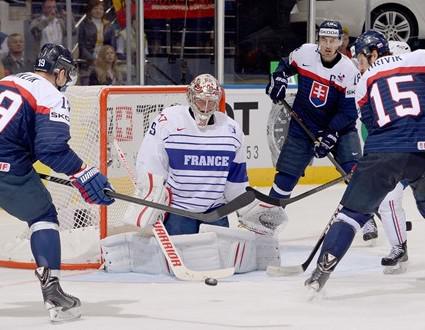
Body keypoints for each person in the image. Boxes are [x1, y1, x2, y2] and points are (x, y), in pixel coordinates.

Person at [0, 43, 114, 321]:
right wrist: (84, 174)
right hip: (6, 169)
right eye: (67, 73)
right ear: (59, 72)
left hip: (10, 161)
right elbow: (51, 149)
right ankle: (53, 292)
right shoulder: (50, 94)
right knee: (43, 216)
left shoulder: (7, 80)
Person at [304, 30, 425, 292]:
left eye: (359, 59)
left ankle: (320, 274)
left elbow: (371, 124)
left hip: (384, 151)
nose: (359, 65)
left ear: (372, 54)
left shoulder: (364, 82)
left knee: (349, 216)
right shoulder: (420, 58)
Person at [265, 20, 378, 241]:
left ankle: (366, 219)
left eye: (333, 40)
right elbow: (284, 66)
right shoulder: (305, 53)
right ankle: (268, 222)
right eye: (324, 39)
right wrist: (278, 79)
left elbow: (348, 111)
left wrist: (331, 133)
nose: (328, 45)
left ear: (340, 42)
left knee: (354, 173)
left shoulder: (348, 69)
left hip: (340, 129)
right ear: (318, 40)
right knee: (285, 177)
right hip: (303, 125)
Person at [78, 0, 116, 85]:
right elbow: (81, 46)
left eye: (101, 9)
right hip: (88, 63)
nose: (98, 11)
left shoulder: (109, 26)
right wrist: (92, 59)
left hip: (105, 62)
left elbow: (112, 46)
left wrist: (107, 57)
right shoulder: (84, 25)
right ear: (90, 10)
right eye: (95, 8)